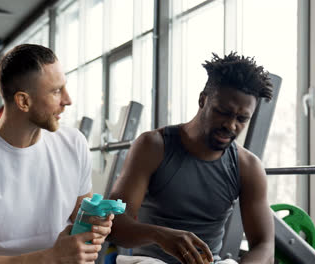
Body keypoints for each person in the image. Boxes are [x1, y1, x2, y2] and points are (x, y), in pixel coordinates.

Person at [0, 44, 113, 264]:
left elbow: (81, 213)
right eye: (56, 91)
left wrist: (95, 222)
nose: (68, 100)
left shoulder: (74, 143)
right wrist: (49, 258)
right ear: (23, 101)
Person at [108, 52, 275, 264]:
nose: (231, 125)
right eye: (223, 112)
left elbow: (265, 245)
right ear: (203, 99)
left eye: (242, 119)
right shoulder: (152, 146)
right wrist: (160, 235)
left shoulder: (248, 166)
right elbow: (114, 224)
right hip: (151, 262)